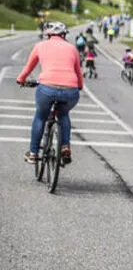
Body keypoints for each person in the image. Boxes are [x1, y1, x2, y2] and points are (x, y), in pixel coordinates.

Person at [15, 21, 83, 165]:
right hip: (70, 90)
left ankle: (33, 153)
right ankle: (65, 147)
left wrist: (21, 79)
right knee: (63, 114)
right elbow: (78, 73)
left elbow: (29, 67)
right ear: (64, 35)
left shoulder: (40, 46)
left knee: (40, 117)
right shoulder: (72, 49)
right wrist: (79, 86)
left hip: (47, 88)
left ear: (48, 34)